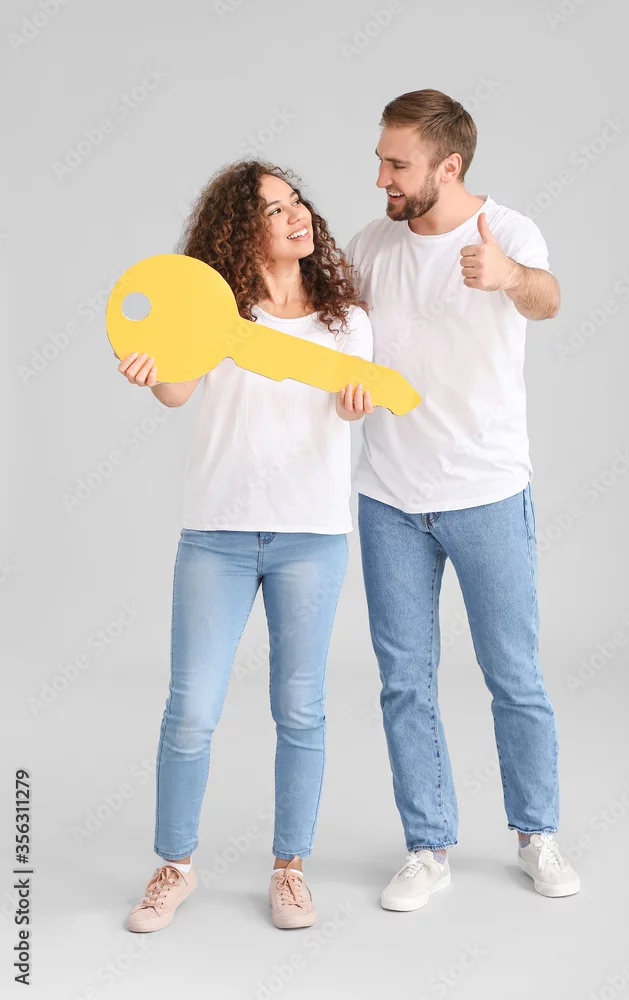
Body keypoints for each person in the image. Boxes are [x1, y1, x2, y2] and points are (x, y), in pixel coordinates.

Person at [117, 159, 374, 932]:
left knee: (300, 708)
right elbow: (176, 390)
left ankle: (290, 870)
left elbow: (354, 406)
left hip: (311, 536)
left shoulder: (344, 322)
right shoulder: (215, 313)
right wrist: (150, 371)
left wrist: (355, 404)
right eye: (274, 209)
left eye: (297, 202)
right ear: (239, 230)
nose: (297, 216)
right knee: (191, 710)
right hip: (217, 535)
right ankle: (174, 867)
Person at [344, 89, 580, 908]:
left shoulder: (506, 231)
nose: (381, 177)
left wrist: (508, 275)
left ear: (448, 166)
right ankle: (427, 847)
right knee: (404, 682)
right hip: (388, 498)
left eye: (396, 163)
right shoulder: (370, 244)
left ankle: (536, 835)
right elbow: (338, 339)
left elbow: (547, 298)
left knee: (513, 674)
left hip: (486, 493)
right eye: (380, 160)